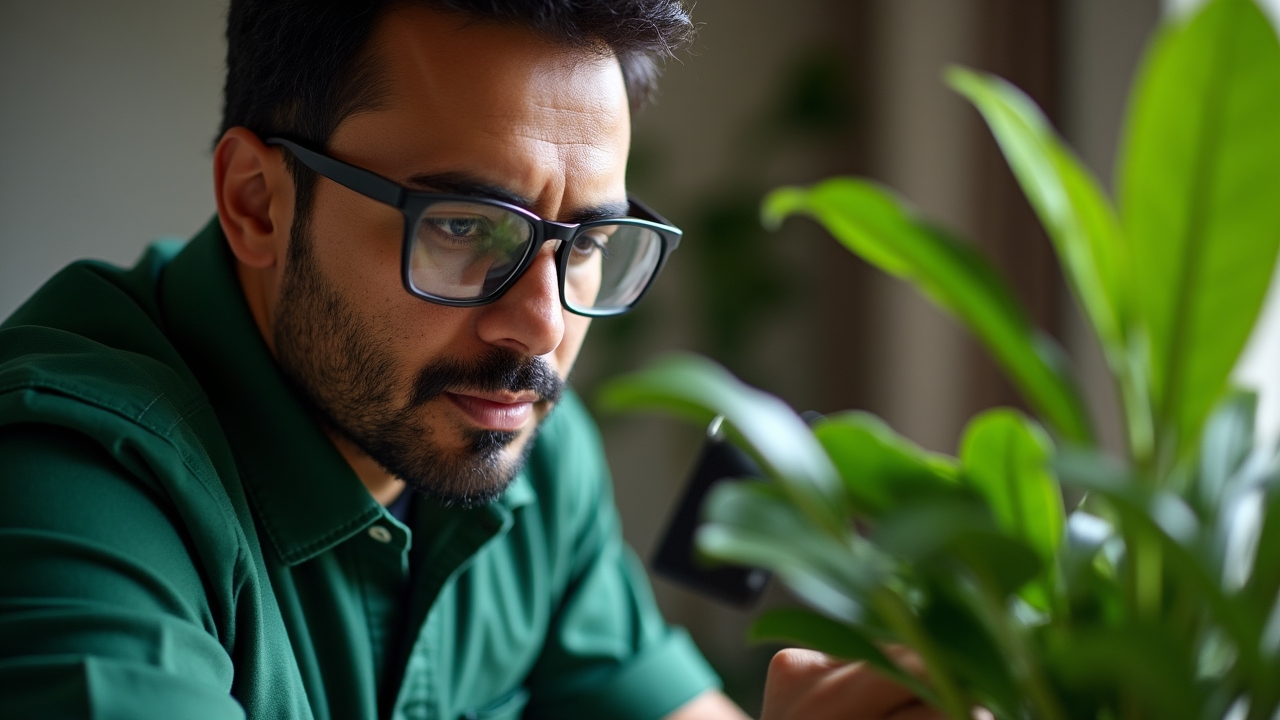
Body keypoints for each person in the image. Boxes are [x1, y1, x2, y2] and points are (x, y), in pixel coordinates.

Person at [0, 2, 945, 718]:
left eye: (586, 242)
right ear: (257, 202)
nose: (541, 328)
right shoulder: (64, 482)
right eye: (463, 227)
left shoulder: (528, 450)